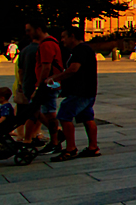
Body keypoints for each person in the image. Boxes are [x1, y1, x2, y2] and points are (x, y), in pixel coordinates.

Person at [44, 26, 100, 161]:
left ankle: (70, 149)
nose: (62, 40)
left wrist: (54, 78)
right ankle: (93, 147)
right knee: (87, 117)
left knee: (64, 116)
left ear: (72, 36)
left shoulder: (80, 50)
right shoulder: (85, 49)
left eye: (64, 36)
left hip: (80, 91)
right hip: (87, 90)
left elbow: (73, 69)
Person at [26, 19, 64, 155]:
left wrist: (38, 87)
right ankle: (56, 137)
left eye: (29, 30)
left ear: (38, 29)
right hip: (51, 83)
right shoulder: (50, 42)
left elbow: (46, 66)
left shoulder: (46, 44)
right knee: (38, 110)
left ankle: (55, 140)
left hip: (48, 84)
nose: (28, 33)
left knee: (48, 113)